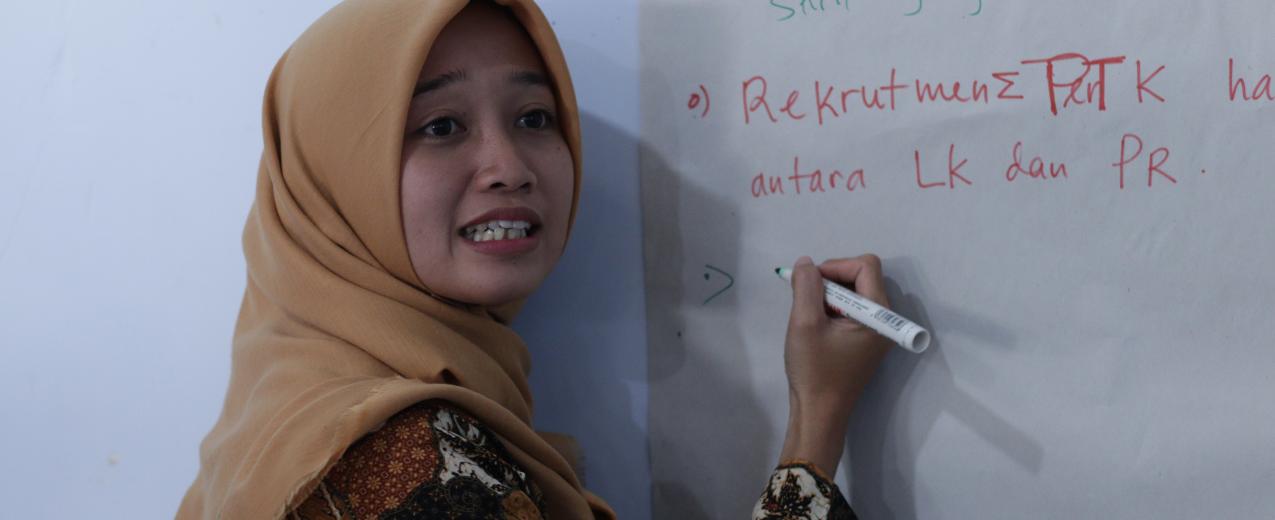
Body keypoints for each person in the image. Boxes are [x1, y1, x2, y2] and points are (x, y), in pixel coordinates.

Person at [177, 1, 892, 518]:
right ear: (335, 175)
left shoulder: (280, 414)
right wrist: (819, 417)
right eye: (441, 126)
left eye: (532, 118)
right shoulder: (398, 461)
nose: (509, 167)